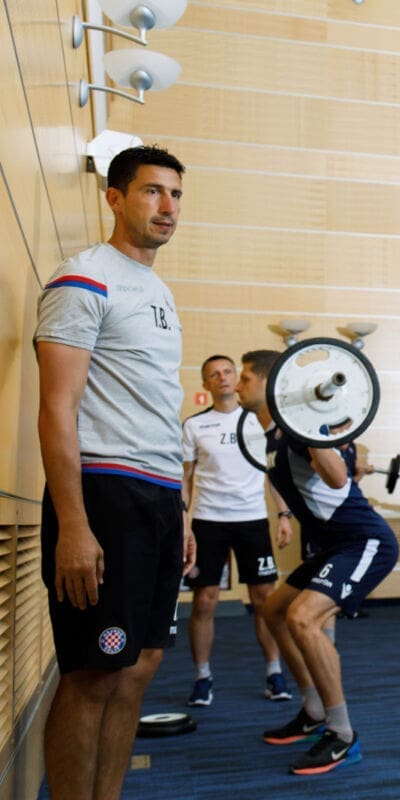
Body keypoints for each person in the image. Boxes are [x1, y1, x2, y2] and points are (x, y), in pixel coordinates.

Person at [35, 145, 196, 800]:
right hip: (104, 494)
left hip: (157, 499)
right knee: (94, 673)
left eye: (176, 195)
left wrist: (180, 513)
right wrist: (74, 524)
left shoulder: (157, 290)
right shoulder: (84, 277)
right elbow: (55, 407)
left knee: (139, 667)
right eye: (152, 192)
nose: (166, 207)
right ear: (115, 197)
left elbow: (156, 411)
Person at [236, 350, 399, 775]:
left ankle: (342, 734)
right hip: (331, 545)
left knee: (304, 620)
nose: (237, 385)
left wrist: (311, 429)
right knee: (273, 610)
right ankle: (312, 709)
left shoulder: (297, 430)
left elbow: (337, 478)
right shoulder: (271, 436)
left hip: (364, 541)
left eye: (245, 378)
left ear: (270, 384)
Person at [182, 354, 294, 706]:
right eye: (214, 374)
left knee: (264, 601)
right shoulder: (194, 426)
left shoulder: (257, 423)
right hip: (208, 522)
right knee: (205, 600)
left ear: (236, 378)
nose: (223, 378)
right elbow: (184, 479)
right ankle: (203, 677)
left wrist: (284, 514)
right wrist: (183, 526)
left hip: (251, 521)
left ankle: (274, 673)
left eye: (228, 372)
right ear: (206, 384)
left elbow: (271, 473)